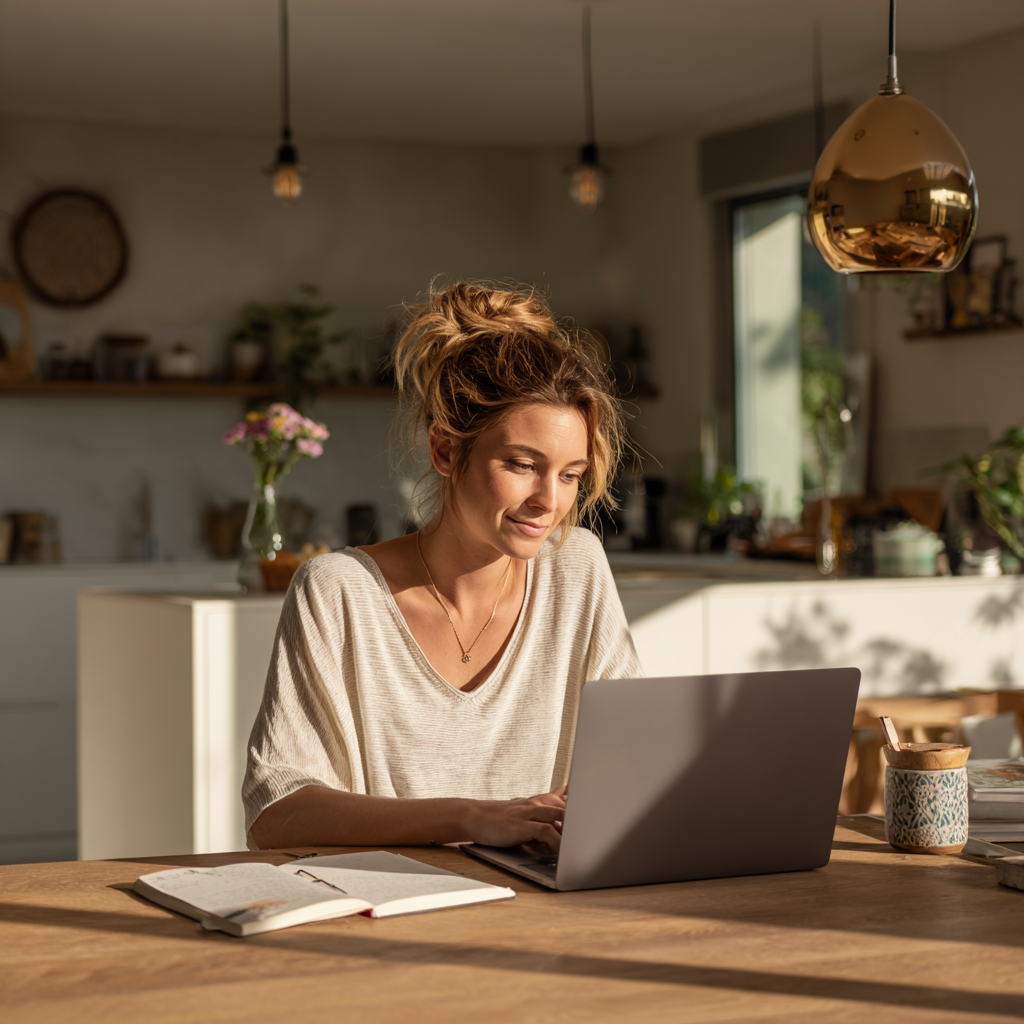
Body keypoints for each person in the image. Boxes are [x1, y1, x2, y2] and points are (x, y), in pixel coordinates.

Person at [244, 281, 642, 852]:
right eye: (523, 465)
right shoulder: (339, 591)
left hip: (544, 913)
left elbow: (633, 761)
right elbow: (275, 813)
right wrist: (472, 819)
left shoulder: (575, 567)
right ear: (446, 451)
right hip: (384, 913)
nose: (549, 501)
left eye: (570, 474)